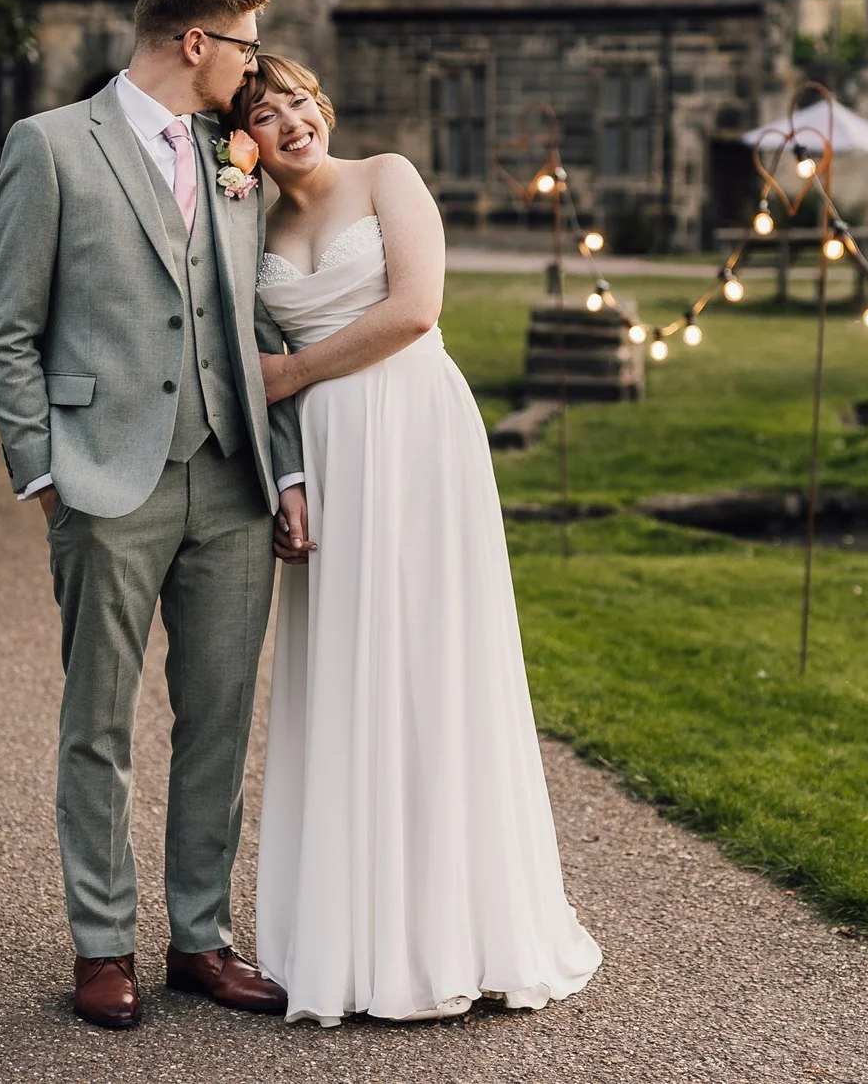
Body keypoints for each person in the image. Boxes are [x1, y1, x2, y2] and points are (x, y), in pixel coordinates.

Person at [0, 0, 310, 1030]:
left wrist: (287, 464)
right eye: (247, 48)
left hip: (230, 481)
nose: (256, 72)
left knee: (215, 719)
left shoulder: (235, 156)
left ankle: (201, 939)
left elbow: (258, 319)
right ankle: (101, 944)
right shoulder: (50, 147)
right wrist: (43, 473)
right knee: (99, 725)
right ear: (195, 44)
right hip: (102, 482)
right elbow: (10, 332)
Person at [240, 54, 603, 1026]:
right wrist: (291, 471)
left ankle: (456, 928)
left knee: (433, 665)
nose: (288, 121)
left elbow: (415, 311)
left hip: (417, 439)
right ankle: (349, 938)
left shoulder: (387, 177)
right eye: (262, 113)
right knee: (345, 676)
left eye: (297, 102)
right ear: (247, 140)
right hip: (328, 458)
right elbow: (244, 360)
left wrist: (291, 373)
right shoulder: (250, 229)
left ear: (324, 105)